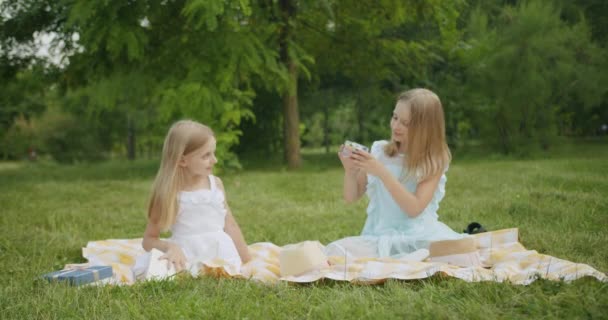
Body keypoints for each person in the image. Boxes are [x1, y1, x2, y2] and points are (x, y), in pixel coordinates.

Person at [325, 88, 465, 260]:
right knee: (334, 251)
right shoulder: (380, 151)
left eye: (406, 123)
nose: (396, 126)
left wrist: (382, 172)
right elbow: (351, 197)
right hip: (378, 235)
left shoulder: (432, 160)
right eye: (395, 117)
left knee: (457, 253)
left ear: (425, 129)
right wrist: (350, 171)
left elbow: (414, 209)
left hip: (416, 235)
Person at [141, 120, 251, 277]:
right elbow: (148, 240)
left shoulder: (216, 184)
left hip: (221, 253)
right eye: (206, 155)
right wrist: (169, 247)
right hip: (186, 255)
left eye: (213, 153)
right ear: (182, 160)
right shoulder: (169, 194)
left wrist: (247, 260)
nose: (215, 160)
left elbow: (230, 225)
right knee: (158, 272)